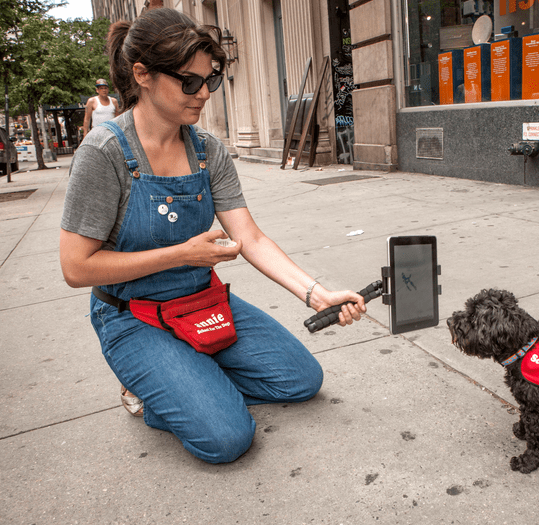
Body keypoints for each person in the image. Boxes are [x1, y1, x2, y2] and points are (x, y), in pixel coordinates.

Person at [59, 8, 366, 464]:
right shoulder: (104, 152)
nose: (203, 93)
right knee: (226, 439)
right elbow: (76, 267)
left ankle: (189, 374)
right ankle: (156, 381)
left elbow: (252, 238)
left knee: (302, 380)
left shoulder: (207, 150)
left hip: (201, 302)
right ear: (142, 74)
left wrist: (317, 294)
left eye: (210, 80)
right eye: (189, 81)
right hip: (131, 315)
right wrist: (180, 253)